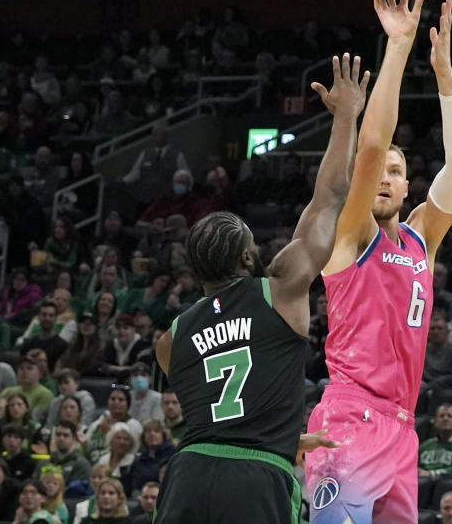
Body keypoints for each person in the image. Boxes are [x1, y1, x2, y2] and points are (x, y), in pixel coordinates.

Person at [152, 49, 368, 524]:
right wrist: (347, 114)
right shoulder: (280, 289)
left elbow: (220, 415)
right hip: (256, 478)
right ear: (250, 258)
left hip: (187, 475)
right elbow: (329, 197)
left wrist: (281, 436)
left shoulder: (170, 339)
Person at [304, 0, 452, 524]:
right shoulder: (351, 235)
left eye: (397, 173)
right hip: (351, 416)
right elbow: (373, 145)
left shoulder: (422, 238)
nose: (384, 176)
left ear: (408, 188)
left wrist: (444, 77)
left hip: (402, 431)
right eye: (379, 171)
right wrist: (399, 45)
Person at [0, 357, 53, 423]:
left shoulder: (45, 394)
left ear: (40, 373)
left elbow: (35, 420)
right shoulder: (7, 391)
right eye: (21, 368)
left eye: (29, 368)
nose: (24, 371)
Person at [422, 315, 452, 396]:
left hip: (448, 391)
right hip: (423, 389)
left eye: (440, 328)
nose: (436, 332)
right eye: (432, 328)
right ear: (428, 332)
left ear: (447, 332)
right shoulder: (422, 351)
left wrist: (430, 386)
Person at [127, 420, 174, 491]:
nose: (152, 434)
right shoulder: (139, 459)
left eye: (156, 431)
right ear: (143, 436)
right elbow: (134, 484)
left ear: (163, 435)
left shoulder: (173, 454)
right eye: (148, 431)